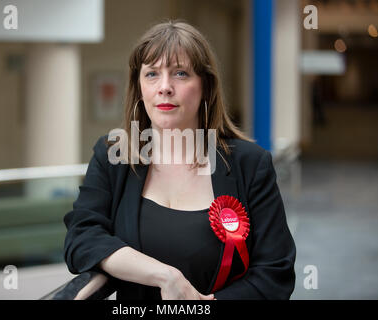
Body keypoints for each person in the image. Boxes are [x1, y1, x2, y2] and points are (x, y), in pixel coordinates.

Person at [63, 20, 296, 300]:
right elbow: (82, 237)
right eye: (151, 74)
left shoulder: (250, 164)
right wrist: (165, 275)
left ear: (206, 86)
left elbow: (275, 273)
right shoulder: (113, 156)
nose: (165, 87)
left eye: (181, 74)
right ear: (139, 88)